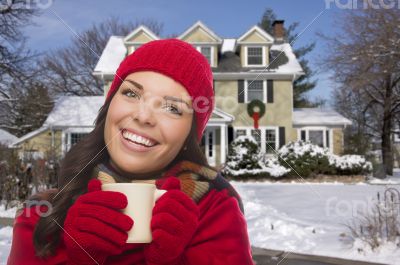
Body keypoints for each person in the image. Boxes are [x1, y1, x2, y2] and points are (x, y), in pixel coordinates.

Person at [7, 39, 254, 265]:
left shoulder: (215, 209)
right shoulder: (40, 214)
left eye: (172, 108)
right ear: (109, 106)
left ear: (189, 137)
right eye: (131, 93)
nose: (144, 116)